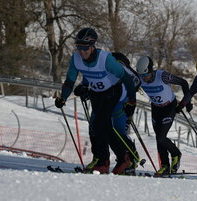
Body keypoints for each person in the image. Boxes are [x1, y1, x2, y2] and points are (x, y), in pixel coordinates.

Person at [55, 27, 136, 174]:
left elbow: (126, 78)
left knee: (100, 124)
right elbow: (69, 80)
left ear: (92, 46)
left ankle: (105, 161)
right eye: (79, 47)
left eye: (85, 48)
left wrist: (132, 101)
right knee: (98, 127)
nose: (82, 52)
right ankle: (119, 159)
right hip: (97, 93)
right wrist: (63, 98)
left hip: (112, 91)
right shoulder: (76, 58)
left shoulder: (105, 59)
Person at [73, 51, 141, 175]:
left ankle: (129, 158)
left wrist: (130, 101)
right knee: (95, 128)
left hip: (119, 102)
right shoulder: (93, 65)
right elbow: (88, 80)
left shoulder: (116, 65)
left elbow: (135, 80)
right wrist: (83, 88)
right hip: (102, 100)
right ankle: (99, 159)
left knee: (118, 132)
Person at [136, 56, 191, 176]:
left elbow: (183, 82)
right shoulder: (140, 78)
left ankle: (176, 154)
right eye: (142, 76)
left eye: (146, 75)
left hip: (169, 107)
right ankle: (165, 165)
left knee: (161, 137)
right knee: (158, 138)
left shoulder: (163, 76)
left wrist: (186, 102)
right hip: (156, 108)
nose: (144, 79)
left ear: (151, 70)